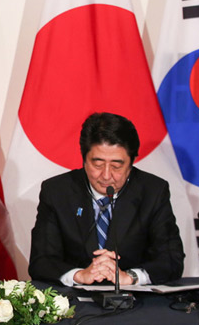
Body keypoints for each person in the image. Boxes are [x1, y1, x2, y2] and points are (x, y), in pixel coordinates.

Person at [28, 112, 184, 286]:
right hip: (75, 304)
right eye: (98, 164)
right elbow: (41, 261)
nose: (107, 175)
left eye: (117, 166)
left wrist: (129, 277)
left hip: (137, 302)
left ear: (131, 163)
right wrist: (79, 275)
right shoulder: (57, 192)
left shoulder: (153, 191)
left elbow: (171, 259)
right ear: (84, 160)